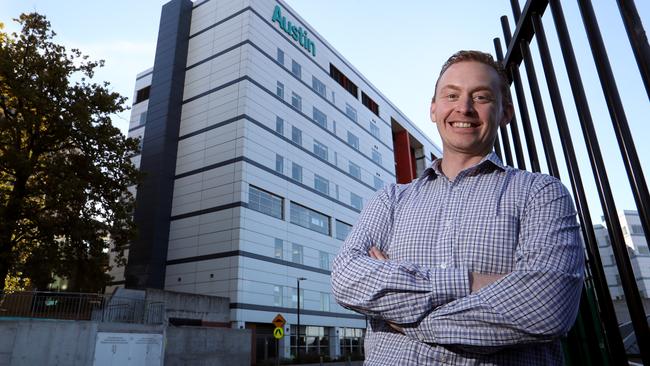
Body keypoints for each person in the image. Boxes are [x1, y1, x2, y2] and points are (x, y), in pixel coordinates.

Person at [331, 50, 584, 365]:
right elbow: (346, 277)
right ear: (434, 110)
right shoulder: (391, 199)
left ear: (505, 112)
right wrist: (472, 282)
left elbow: (548, 306)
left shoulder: (542, 194)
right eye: (451, 95)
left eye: (480, 97)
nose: (463, 107)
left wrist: (411, 318)